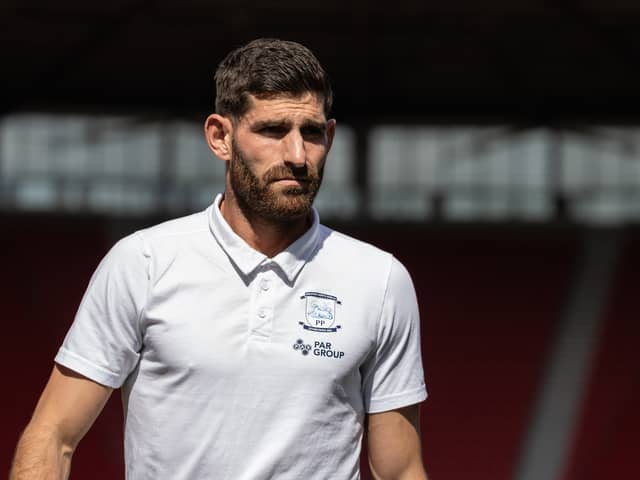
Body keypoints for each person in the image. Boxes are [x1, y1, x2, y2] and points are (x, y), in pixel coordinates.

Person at [11, 38, 429, 480]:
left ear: (329, 136)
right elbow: (53, 435)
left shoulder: (379, 280)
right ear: (220, 137)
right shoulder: (144, 262)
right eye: (271, 131)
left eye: (311, 133)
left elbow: (400, 469)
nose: (297, 156)